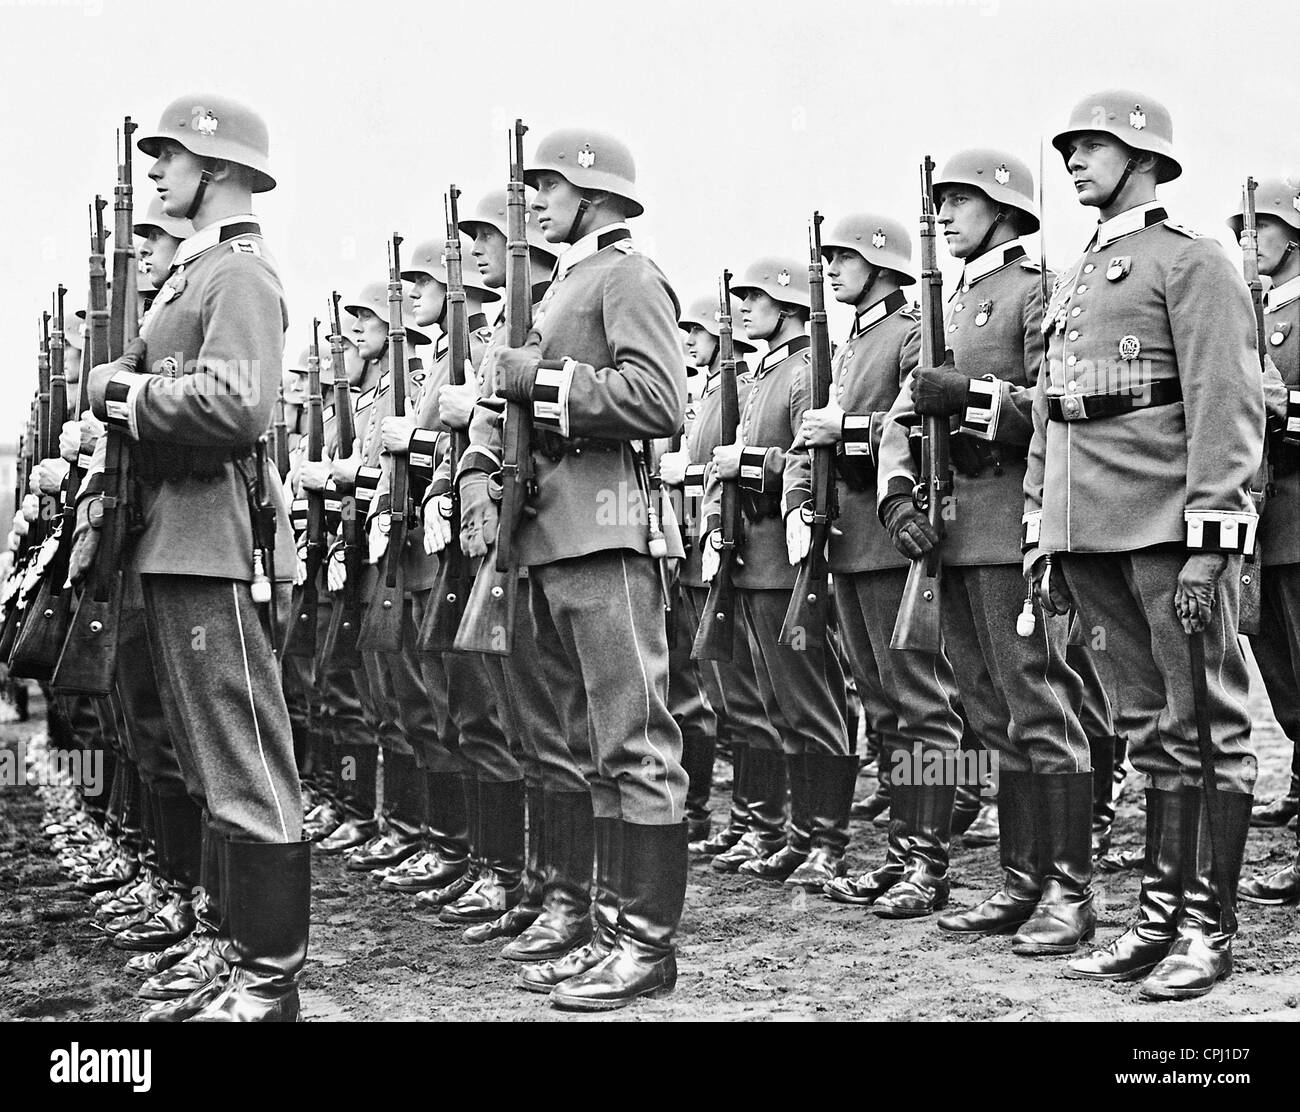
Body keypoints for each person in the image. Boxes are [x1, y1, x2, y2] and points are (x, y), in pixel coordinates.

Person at [1022, 90, 1263, 998]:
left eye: (1092, 147)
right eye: (1071, 148)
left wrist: (1212, 539)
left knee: (1205, 723)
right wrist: (1045, 526)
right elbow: (1055, 406)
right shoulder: (1082, 275)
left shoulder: (1191, 261)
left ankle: (1208, 927)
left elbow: (1224, 403)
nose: (1075, 161)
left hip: (1167, 523)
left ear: (1145, 157)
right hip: (1090, 528)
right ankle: (1157, 916)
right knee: (1148, 726)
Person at [83, 93, 306, 1022]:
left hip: (211, 537)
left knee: (242, 758)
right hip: (171, 538)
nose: (158, 172)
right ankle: (234, 955)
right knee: (208, 758)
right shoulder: (194, 276)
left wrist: (126, 394)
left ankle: (268, 981)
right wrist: (117, 383)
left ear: (214, 169)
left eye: (170, 158)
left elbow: (235, 408)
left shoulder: (238, 278)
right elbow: (127, 372)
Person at [461, 127, 689, 1010]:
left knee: (635, 738)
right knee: (596, 746)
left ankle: (648, 946)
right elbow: (498, 405)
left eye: (548, 185)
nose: (535, 202)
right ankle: (607, 929)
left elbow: (659, 400)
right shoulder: (559, 283)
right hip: (548, 538)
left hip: (606, 533)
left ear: (591, 192)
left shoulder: (626, 276)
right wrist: (481, 470)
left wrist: (545, 382)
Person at [877, 149, 1094, 953]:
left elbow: (1060, 404)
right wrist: (897, 495)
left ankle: (1068, 890)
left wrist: (973, 401)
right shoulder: (948, 298)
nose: (944, 214)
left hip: (1010, 525)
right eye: (939, 201)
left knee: (1039, 706)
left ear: (1005, 208)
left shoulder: (1037, 290)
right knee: (988, 715)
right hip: (952, 537)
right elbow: (902, 413)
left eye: (961, 199)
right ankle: (1020, 879)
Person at [792, 211, 966, 916]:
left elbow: (924, 432)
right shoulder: (854, 341)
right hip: (852, 544)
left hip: (900, 539)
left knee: (924, 703)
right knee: (883, 702)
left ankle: (930, 861)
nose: (832, 268)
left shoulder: (910, 332)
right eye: (827, 257)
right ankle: (902, 852)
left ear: (884, 261)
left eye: (844, 256)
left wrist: (849, 429)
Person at [702, 257, 854, 889]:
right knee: (773, 703)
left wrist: (751, 465)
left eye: (754, 297)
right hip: (749, 555)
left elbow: (811, 463)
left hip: (784, 555)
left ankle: (827, 839)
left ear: (789, 305)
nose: (740, 309)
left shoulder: (800, 372)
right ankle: (795, 832)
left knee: (811, 702)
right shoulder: (759, 373)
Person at [1234, 175, 1300, 907]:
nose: (1248, 242)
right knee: (1285, 691)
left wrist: (1283, 415)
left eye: (1262, 228)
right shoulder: (1249, 320)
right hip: (1264, 528)